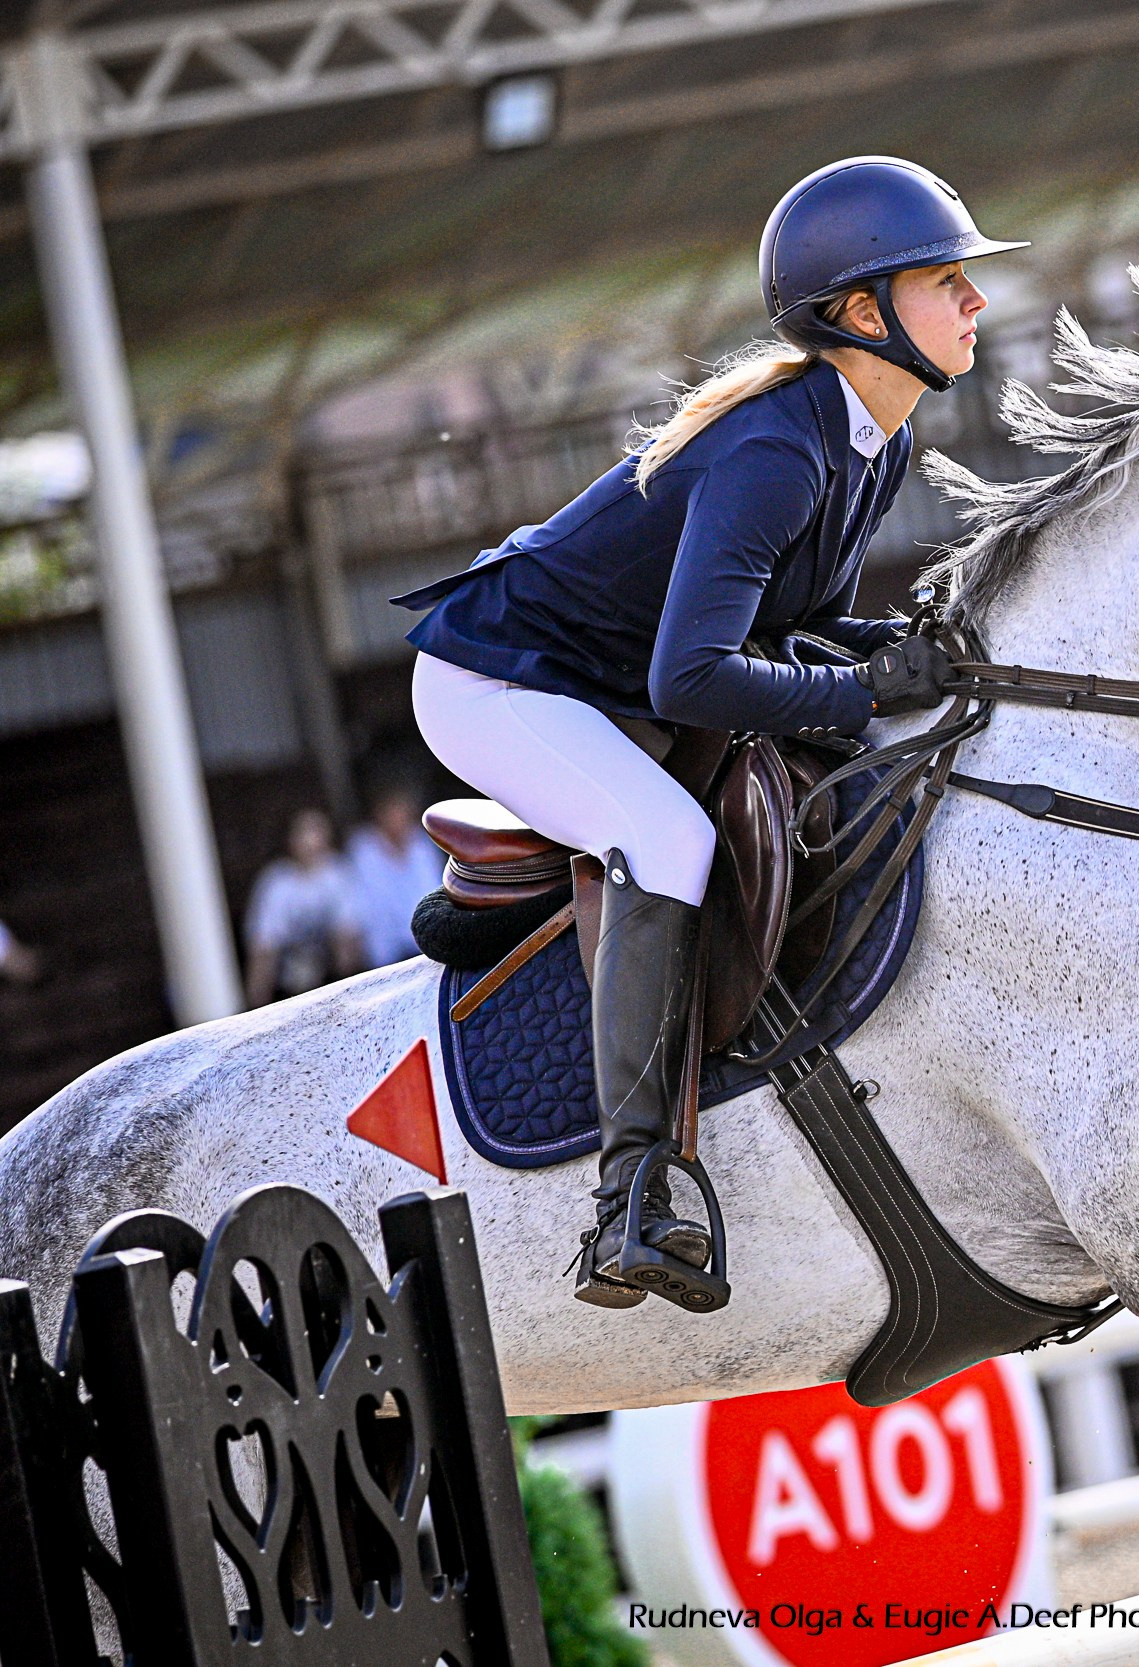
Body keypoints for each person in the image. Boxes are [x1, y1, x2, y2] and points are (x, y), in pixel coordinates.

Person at [392, 156, 1013, 1311]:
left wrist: (905, 648)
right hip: (498, 681)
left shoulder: (877, 443)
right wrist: (861, 691)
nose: (975, 298)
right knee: (667, 839)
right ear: (864, 312)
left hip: (606, 682)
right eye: (947, 278)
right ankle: (632, 1196)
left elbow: (798, 616)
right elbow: (693, 676)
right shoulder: (778, 447)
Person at [245, 809, 365, 1006]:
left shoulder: (338, 875)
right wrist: (255, 1007)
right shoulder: (276, 883)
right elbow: (264, 950)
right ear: (291, 840)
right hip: (288, 986)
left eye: (316, 832)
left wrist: (349, 995)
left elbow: (348, 937)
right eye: (303, 834)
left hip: (331, 979)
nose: (310, 843)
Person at [347, 788, 446, 968]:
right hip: (385, 952)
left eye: (403, 814)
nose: (398, 820)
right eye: (393, 813)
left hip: (425, 944)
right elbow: (369, 904)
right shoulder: (364, 849)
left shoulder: (422, 845)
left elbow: (434, 891)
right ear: (380, 815)